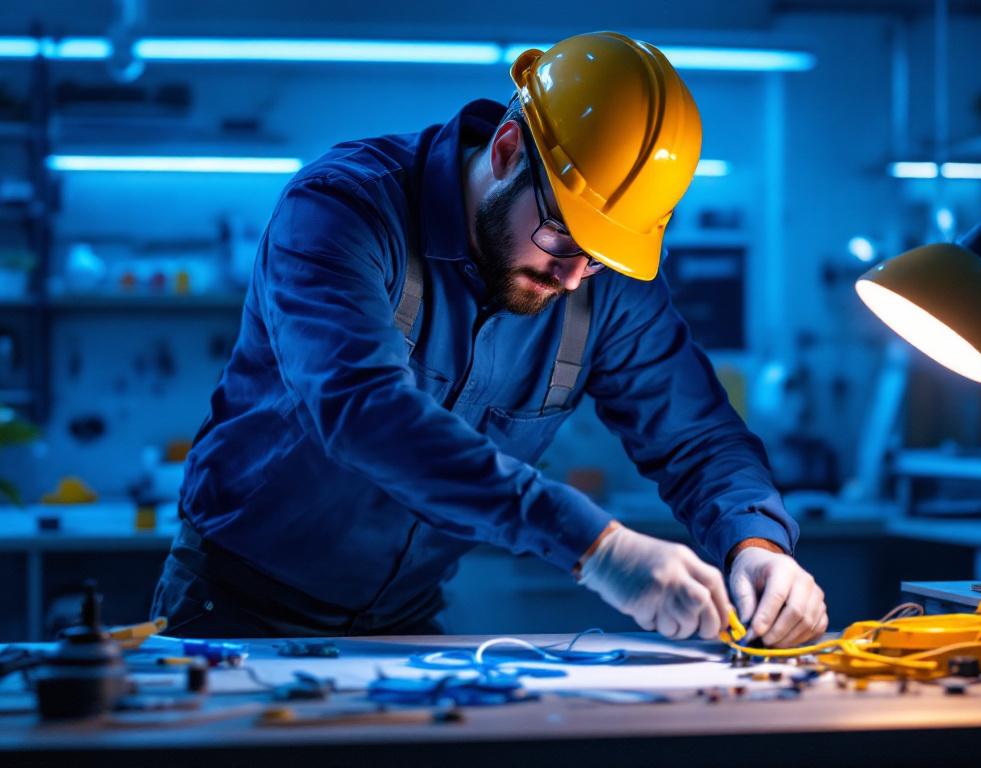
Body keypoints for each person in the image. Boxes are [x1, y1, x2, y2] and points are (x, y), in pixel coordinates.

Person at [152, 31, 827, 647]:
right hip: (236, 605)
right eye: (562, 237)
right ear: (506, 151)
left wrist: (757, 544)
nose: (571, 277)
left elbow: (697, 435)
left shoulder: (596, 274)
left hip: (402, 619)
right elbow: (364, 411)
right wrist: (597, 545)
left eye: (600, 257)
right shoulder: (344, 212)